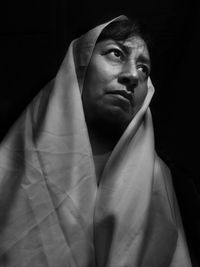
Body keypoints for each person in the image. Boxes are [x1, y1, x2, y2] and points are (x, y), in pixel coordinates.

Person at [0, 15, 192, 266]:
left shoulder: (159, 177)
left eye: (144, 68)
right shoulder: (14, 159)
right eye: (116, 54)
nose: (133, 75)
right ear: (79, 65)